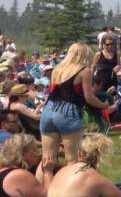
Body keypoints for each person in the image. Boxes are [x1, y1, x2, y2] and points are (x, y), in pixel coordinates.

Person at [40, 42, 112, 172]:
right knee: (72, 158)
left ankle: (42, 189)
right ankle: (71, 190)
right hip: (67, 112)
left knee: (47, 158)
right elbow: (89, 97)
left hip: (48, 109)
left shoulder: (57, 69)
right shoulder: (84, 71)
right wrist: (104, 105)